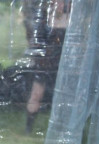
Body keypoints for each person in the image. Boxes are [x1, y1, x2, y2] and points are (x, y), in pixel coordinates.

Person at [24, 0, 72, 133]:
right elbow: (36, 41)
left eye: (63, 2)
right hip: (45, 64)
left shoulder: (73, 19)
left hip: (65, 64)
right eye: (57, 2)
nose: (60, 5)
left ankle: (63, 128)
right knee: (36, 94)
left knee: (66, 96)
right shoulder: (44, 19)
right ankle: (28, 128)